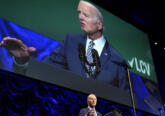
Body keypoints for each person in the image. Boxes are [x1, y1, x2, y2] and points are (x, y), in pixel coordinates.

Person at [0, 0, 129, 90]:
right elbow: (44, 70)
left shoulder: (117, 59)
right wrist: (22, 61)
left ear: (99, 24)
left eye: (86, 15)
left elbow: (126, 101)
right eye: (79, 13)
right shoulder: (70, 41)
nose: (80, 17)